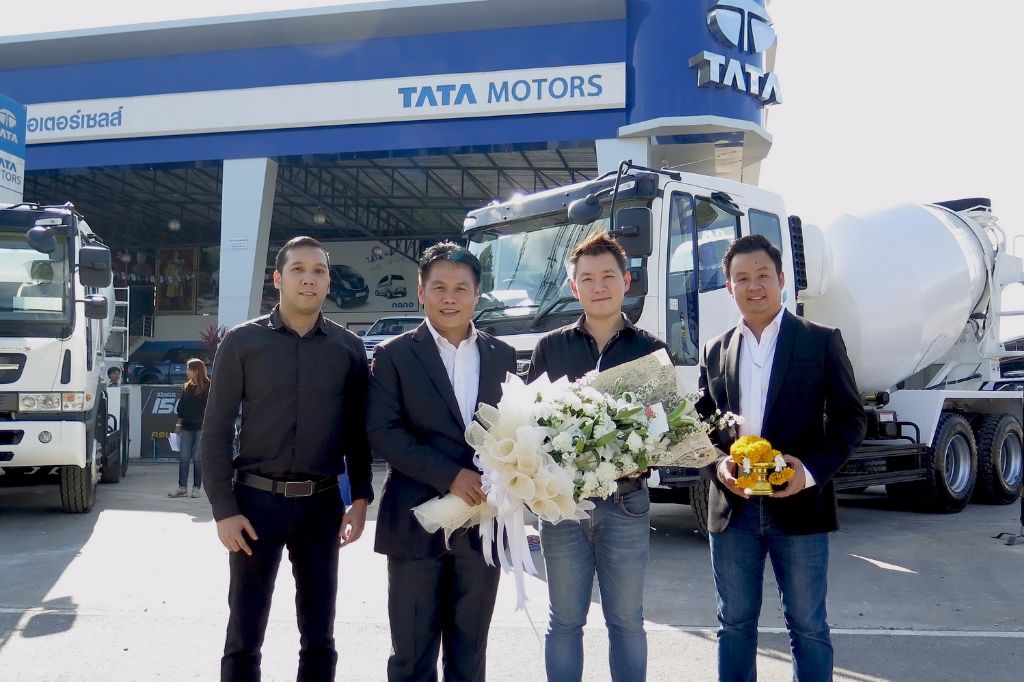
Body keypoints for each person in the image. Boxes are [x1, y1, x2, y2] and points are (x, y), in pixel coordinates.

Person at [201, 236, 373, 681]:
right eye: (298, 269)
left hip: (321, 506)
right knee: (244, 634)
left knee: (319, 635)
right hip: (254, 505)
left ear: (329, 282)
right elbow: (215, 431)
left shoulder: (349, 348)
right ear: (278, 278)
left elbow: (357, 433)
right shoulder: (242, 342)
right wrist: (224, 510)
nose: (309, 279)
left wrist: (360, 499)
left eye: (319, 271)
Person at [697, 234, 866, 682]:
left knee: (808, 625)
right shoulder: (714, 350)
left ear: (781, 280)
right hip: (733, 510)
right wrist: (718, 464)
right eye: (741, 278)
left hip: (801, 507)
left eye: (762, 275)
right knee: (733, 624)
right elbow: (700, 426)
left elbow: (852, 421)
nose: (753, 286)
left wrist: (808, 473)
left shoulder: (820, 342)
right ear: (729, 287)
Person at [367, 242, 516, 682]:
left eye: (461, 288)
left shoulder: (502, 355)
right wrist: (449, 475)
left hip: (483, 524)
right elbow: (383, 431)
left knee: (470, 653)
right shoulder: (394, 355)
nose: (450, 298)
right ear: (421, 292)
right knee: (411, 655)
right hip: (415, 521)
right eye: (439, 288)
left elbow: (516, 427)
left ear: (477, 294)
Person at [527, 231, 667, 682]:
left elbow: (669, 429)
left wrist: (645, 454)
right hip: (562, 506)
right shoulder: (550, 347)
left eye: (608, 276)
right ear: (574, 287)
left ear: (627, 281)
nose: (598, 286)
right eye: (587, 278)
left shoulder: (650, 349)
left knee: (626, 621)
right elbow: (529, 424)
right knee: (565, 621)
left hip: (627, 503)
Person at [168, 358, 210, 499]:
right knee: (184, 458)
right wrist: (178, 425)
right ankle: (182, 488)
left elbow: (212, 409)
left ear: (196, 371)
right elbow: (182, 408)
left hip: (202, 429)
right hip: (186, 428)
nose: (186, 372)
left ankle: (196, 488)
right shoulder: (187, 387)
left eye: (188, 369)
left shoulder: (209, 387)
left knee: (198, 459)